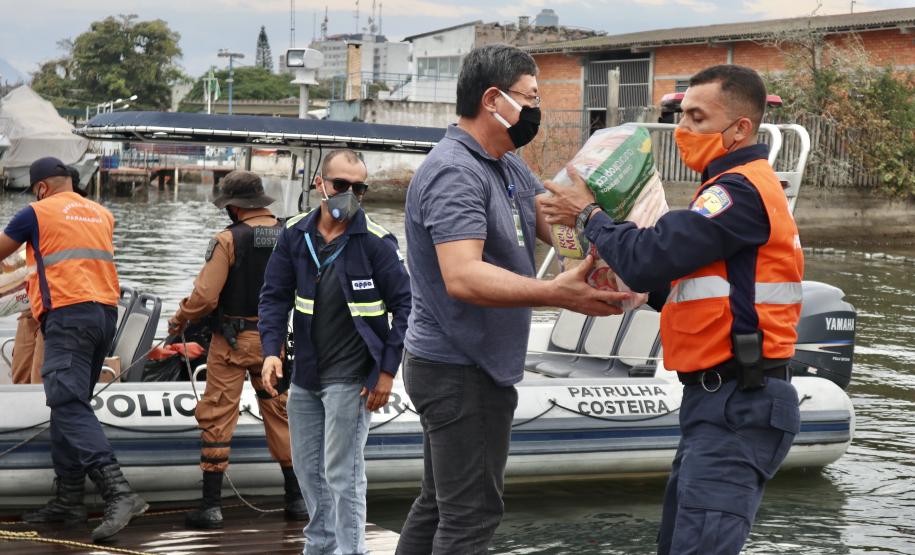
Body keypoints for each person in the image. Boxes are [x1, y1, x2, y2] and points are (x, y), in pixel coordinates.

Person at [540, 64, 804, 555]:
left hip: (738, 402)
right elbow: (684, 284)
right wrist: (626, 289)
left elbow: (650, 257)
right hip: (717, 403)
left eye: (698, 119)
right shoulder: (724, 192)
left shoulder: (739, 192)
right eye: (680, 117)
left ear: (740, 128)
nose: (683, 131)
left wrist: (589, 215)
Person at [395, 44, 629, 555]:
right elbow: (463, 277)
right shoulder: (456, 171)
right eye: (531, 97)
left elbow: (556, 226)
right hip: (459, 366)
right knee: (472, 514)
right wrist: (556, 294)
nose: (537, 109)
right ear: (493, 100)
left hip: (468, 362)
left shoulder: (506, 165)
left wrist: (602, 242)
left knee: (438, 505)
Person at [259, 149, 412, 555]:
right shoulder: (294, 235)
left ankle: (351, 550)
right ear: (320, 184)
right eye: (342, 185)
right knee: (309, 473)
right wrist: (271, 351)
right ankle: (320, 547)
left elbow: (406, 307)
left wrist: (386, 372)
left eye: (358, 188)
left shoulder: (377, 244)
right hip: (306, 375)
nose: (350, 194)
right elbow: (274, 297)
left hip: (351, 378)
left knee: (343, 474)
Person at [0, 156, 147, 542]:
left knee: (66, 401)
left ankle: (119, 492)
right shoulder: (101, 213)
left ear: (42, 187)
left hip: (67, 317)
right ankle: (68, 499)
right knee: (69, 403)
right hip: (103, 315)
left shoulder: (35, 212)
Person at [166, 170, 307, 529]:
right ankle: (296, 500)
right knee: (280, 414)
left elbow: (204, 297)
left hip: (230, 342)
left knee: (217, 414)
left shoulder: (227, 239)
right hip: (273, 341)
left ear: (233, 207)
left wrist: (180, 319)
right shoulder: (291, 233)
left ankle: (211, 506)